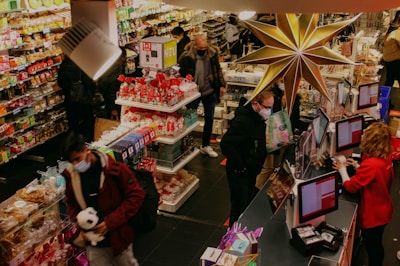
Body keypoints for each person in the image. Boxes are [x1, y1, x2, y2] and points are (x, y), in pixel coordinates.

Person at [60, 131, 145, 266]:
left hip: (118, 236)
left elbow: (136, 196)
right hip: (93, 242)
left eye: (77, 158)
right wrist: (79, 221)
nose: (76, 164)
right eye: (72, 161)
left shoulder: (114, 170)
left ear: (87, 150)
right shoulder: (72, 177)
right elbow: (71, 202)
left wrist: (110, 222)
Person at [333, 122, 393, 266]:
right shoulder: (385, 158)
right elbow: (377, 177)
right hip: (383, 210)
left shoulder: (371, 164)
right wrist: (358, 166)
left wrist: (342, 169)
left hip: (372, 215)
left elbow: (351, 187)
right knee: (377, 245)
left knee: (373, 247)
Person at [220, 88, 274, 227]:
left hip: (250, 170)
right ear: (256, 104)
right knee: (239, 207)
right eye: (267, 107)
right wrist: (241, 166)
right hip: (240, 172)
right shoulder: (243, 122)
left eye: (271, 107)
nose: (269, 111)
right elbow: (226, 144)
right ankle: (231, 239)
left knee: (247, 203)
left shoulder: (258, 119)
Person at [255, 79, 309, 189]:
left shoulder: (295, 99)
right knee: (267, 167)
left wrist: (310, 127)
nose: (284, 84)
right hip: (271, 138)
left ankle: (272, 189)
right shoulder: (271, 95)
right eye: (281, 81)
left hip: (285, 139)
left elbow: (295, 121)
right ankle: (257, 190)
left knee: (279, 167)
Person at [179, 34, 226, 157]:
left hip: (209, 91)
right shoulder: (186, 57)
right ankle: (186, 146)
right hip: (192, 93)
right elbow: (181, 75)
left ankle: (206, 145)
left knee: (209, 119)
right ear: (195, 45)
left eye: (204, 48)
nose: (203, 50)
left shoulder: (212, 54)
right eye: (200, 48)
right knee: (189, 119)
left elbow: (218, 70)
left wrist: (222, 85)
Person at [58, 56, 97, 142]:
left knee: (73, 124)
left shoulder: (64, 64)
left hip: (70, 99)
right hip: (84, 99)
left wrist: (70, 89)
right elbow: (88, 82)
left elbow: (60, 82)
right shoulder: (82, 63)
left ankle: (74, 144)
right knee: (88, 123)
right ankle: (88, 142)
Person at [97, 48, 127, 120]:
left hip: (107, 98)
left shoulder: (107, 65)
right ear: (122, 58)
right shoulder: (117, 71)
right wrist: (114, 109)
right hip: (113, 103)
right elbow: (113, 91)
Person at [383, 11, 400, 89]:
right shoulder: (397, 31)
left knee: (389, 81)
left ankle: (384, 101)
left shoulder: (391, 29)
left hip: (388, 60)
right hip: (396, 61)